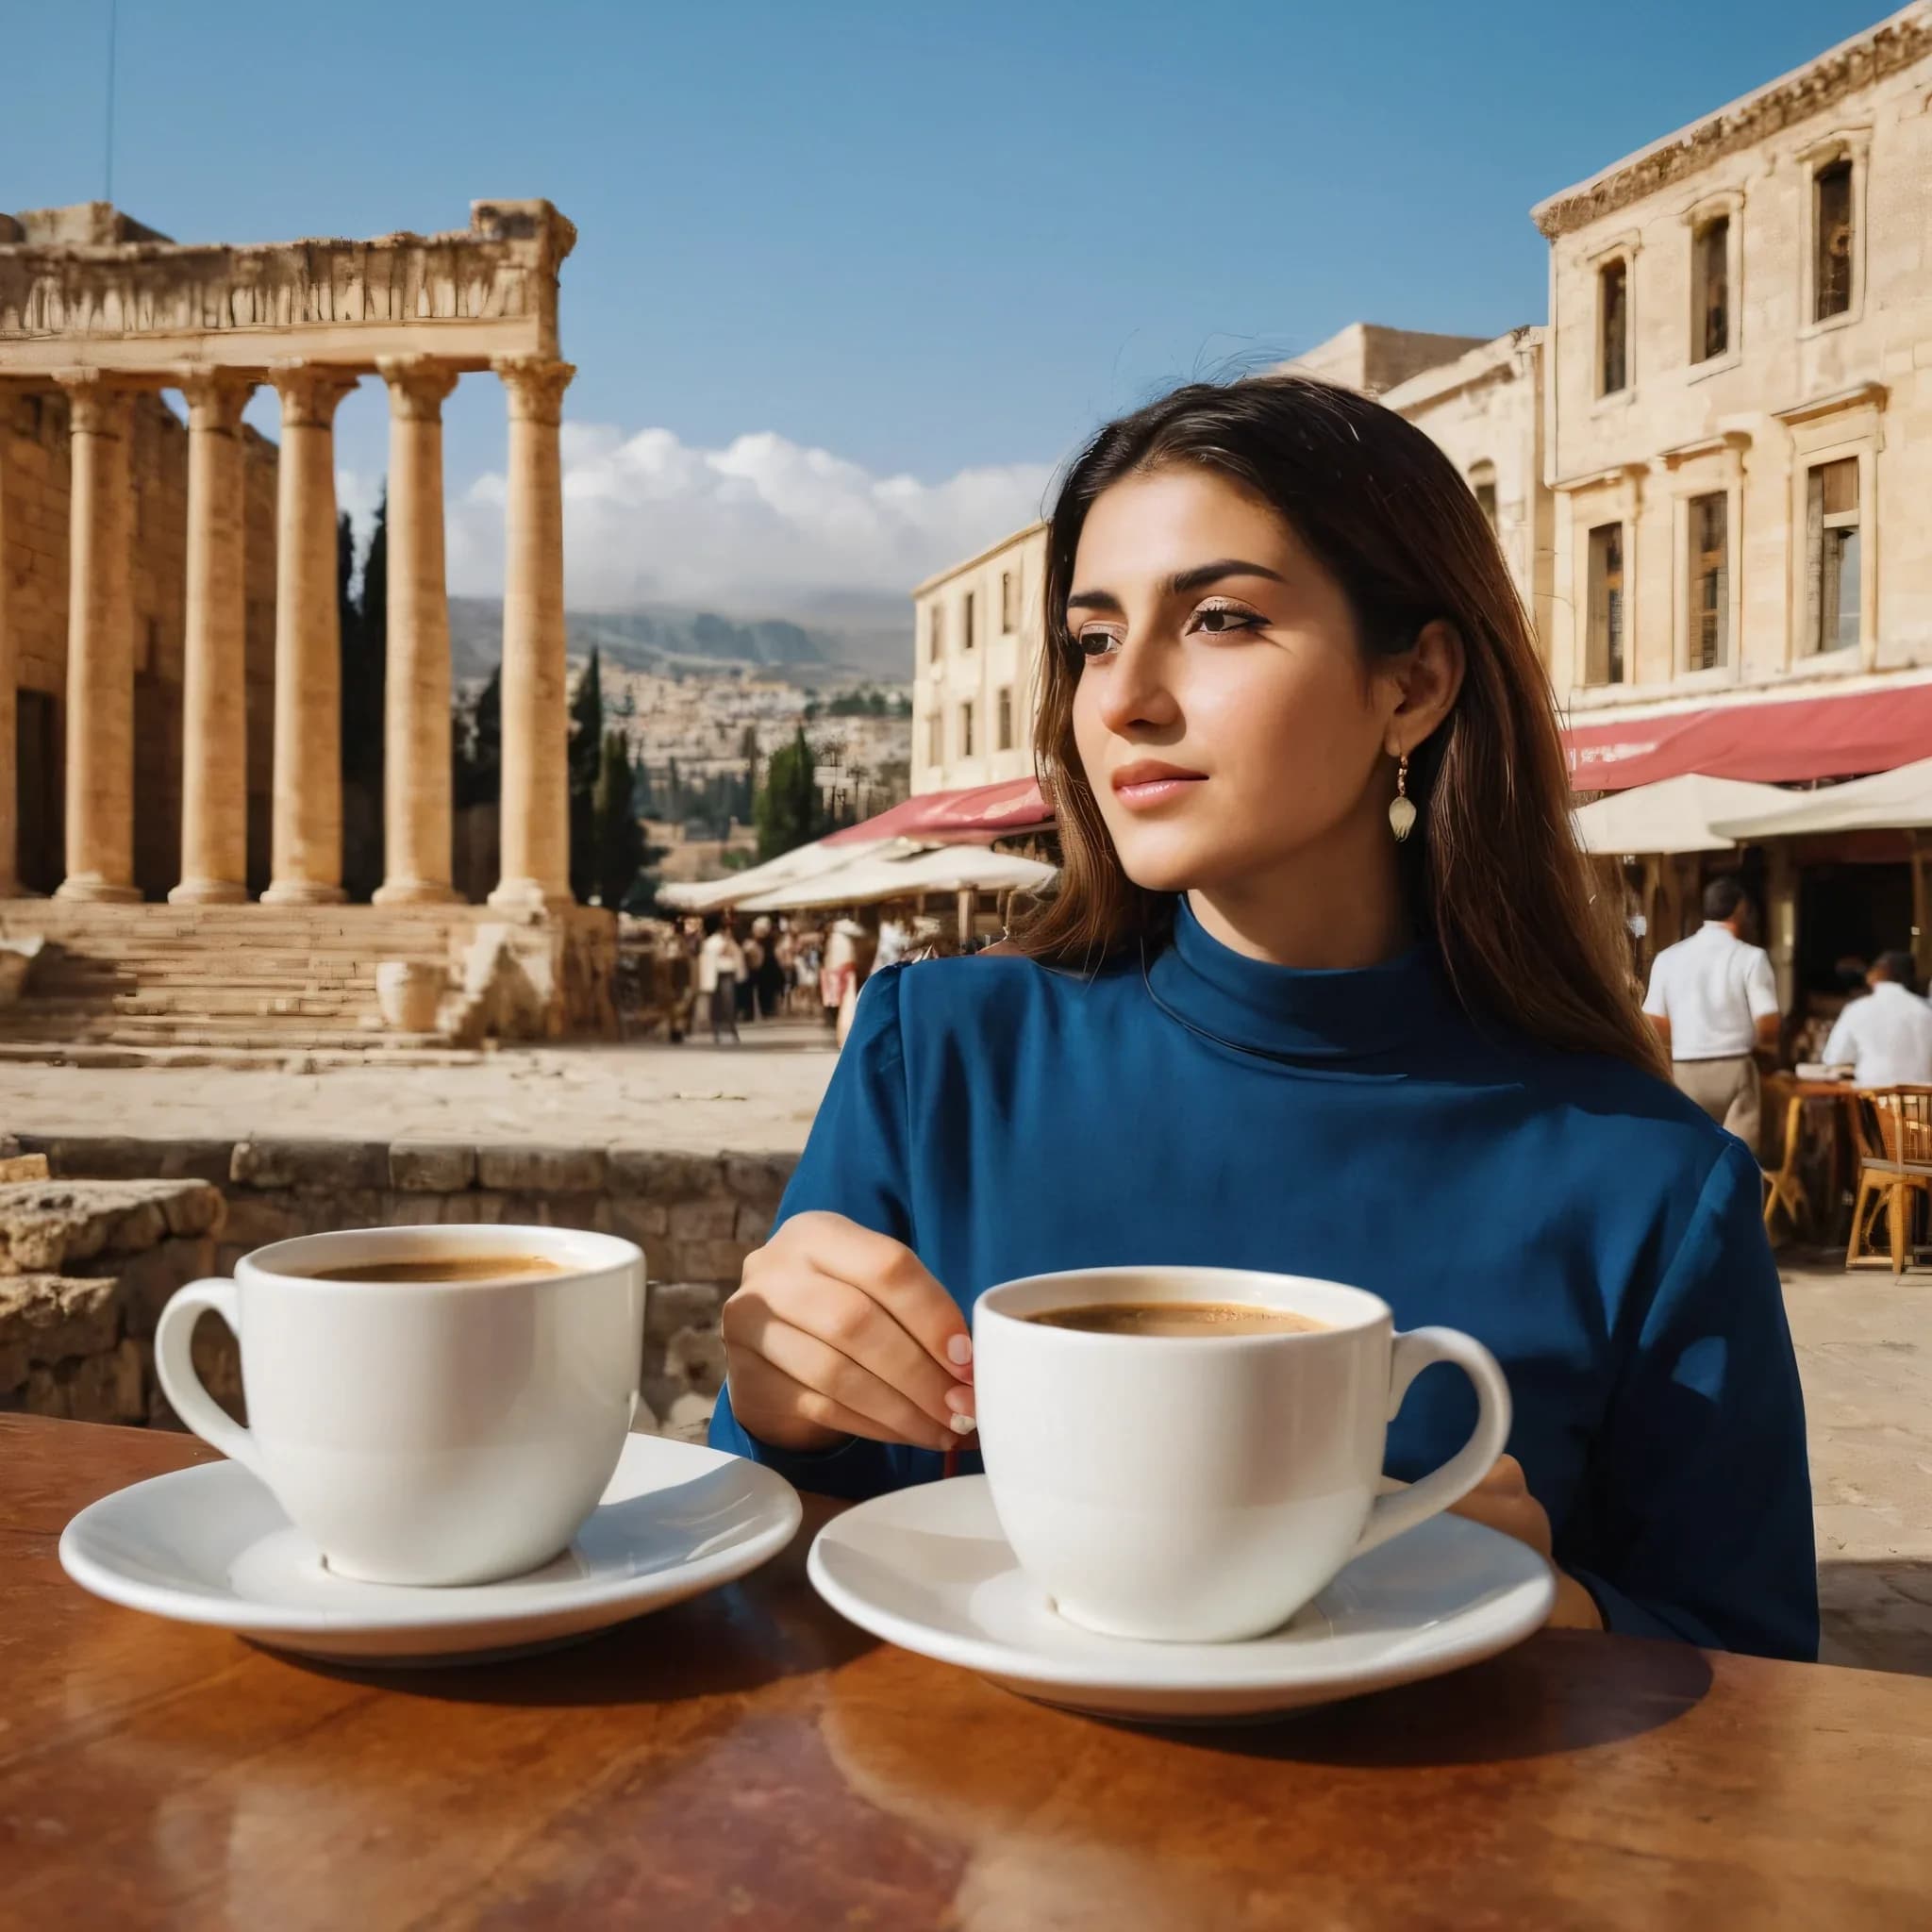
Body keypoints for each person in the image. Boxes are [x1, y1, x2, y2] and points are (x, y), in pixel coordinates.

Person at [710, 374, 1816, 1662]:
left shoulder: (1649, 1186)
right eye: (1093, 638)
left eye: (1220, 619)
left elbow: (1753, 1679)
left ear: (1414, 684)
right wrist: (776, 1403)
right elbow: (770, 1566)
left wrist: (1552, 1613)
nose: (1122, 698)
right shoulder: (937, 1058)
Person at [1642, 877, 1781, 1151]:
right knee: (1739, 1155)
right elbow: (1768, 1025)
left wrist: (1685, 1041)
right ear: (1740, 910)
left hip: (1684, 1071)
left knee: (1690, 1152)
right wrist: (1759, 1046)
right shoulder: (1751, 957)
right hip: (1735, 1068)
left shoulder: (1668, 958)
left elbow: (1653, 1022)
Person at [1821, 950, 1932, 1087]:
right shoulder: (1926, 1011)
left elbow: (1834, 1058)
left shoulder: (1858, 1009)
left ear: (1880, 972)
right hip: (1922, 1098)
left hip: (1872, 1096)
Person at [696, 912, 744, 1046]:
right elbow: (715, 955)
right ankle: (717, 1030)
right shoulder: (712, 942)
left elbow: (736, 955)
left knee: (728, 1003)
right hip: (717, 973)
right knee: (717, 1004)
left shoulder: (730, 941)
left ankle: (730, 1030)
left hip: (727, 973)